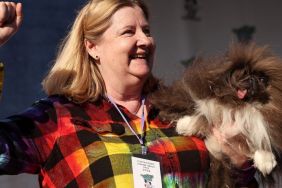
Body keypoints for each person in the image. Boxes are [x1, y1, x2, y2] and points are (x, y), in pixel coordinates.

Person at [0, 0, 257, 187]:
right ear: (92, 47)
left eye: (146, 31)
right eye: (128, 32)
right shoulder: (60, 118)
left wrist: (238, 165)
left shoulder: (185, 114)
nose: (144, 40)